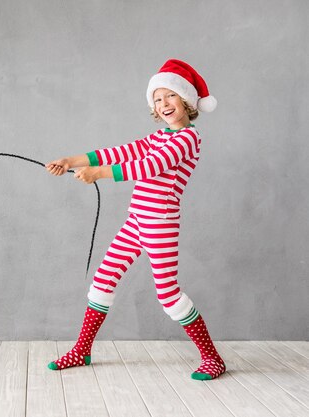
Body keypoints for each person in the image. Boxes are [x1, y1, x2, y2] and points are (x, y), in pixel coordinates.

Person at [45, 59, 225, 380]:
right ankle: (82, 350)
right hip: (136, 222)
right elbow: (121, 152)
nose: (163, 104)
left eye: (170, 96)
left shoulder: (187, 139)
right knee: (102, 282)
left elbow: (148, 166)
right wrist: (71, 160)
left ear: (186, 100)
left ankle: (212, 358)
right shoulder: (158, 136)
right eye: (157, 99)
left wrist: (98, 174)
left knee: (169, 296)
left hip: (160, 224)